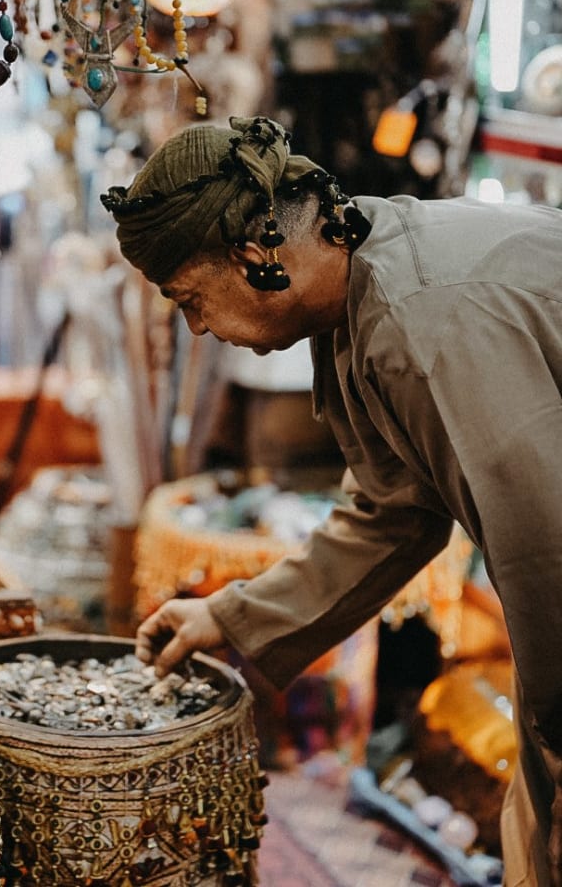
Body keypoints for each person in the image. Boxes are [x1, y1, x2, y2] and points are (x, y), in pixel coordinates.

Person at [101, 116, 562, 886]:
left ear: (253, 254)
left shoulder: (427, 319)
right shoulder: (361, 286)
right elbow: (395, 509)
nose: (198, 328)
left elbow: (549, 556)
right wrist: (233, 615)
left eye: (190, 300)